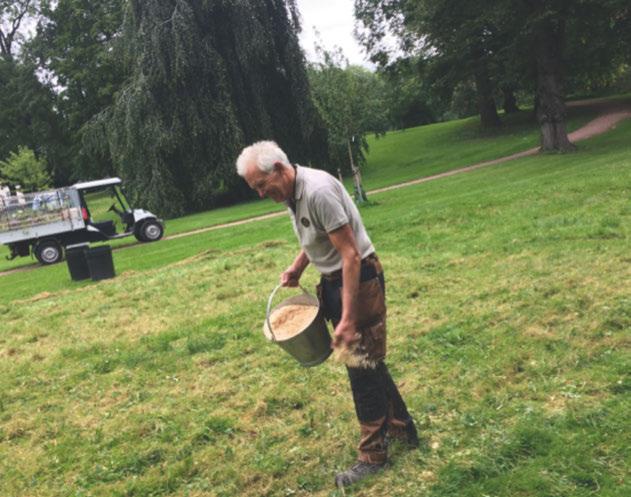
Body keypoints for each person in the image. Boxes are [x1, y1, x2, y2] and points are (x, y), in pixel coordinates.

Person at [236, 141, 419, 487]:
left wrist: (348, 318)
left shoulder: (317, 191)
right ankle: (402, 428)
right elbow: (318, 237)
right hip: (335, 281)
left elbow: (350, 255)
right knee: (368, 360)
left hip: (357, 279)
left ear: (278, 168)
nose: (261, 194)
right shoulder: (294, 193)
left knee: (359, 366)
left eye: (262, 185)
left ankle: (373, 456)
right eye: (255, 189)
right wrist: (297, 267)